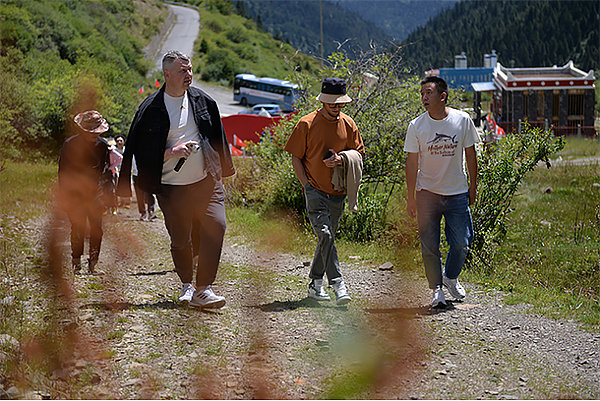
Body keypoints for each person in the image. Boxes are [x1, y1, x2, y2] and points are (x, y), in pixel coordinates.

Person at [117, 50, 235, 309]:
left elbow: (218, 136)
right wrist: (170, 153)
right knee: (181, 239)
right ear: (167, 75)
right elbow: (137, 151)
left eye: (190, 69)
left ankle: (204, 289)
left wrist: (223, 170)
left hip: (206, 182)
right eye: (183, 71)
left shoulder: (204, 101)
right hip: (171, 188)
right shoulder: (149, 109)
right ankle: (187, 284)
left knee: (216, 226)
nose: (189, 75)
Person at [284, 77, 364, 306]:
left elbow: (359, 154)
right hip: (315, 191)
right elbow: (295, 157)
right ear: (323, 101)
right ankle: (338, 284)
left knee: (326, 240)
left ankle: (315, 283)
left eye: (339, 103)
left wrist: (342, 159)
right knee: (326, 235)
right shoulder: (306, 124)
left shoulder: (349, 124)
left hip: (338, 192)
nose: (336, 107)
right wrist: (306, 185)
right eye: (332, 103)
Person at [404, 76, 480, 308]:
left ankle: (450, 276)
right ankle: (436, 289)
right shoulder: (416, 125)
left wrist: (473, 186)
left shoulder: (462, 120)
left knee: (462, 242)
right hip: (427, 194)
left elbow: (471, 154)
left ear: (442, 96)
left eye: (429, 93)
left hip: (457, 193)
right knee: (430, 246)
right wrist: (411, 197)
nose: (424, 98)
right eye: (422, 94)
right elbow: (411, 163)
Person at [58, 110, 112, 274]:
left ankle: (93, 264)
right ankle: (76, 264)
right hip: (75, 194)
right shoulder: (70, 144)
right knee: (78, 227)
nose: (95, 135)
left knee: (97, 229)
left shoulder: (102, 145)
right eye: (92, 132)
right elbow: (63, 172)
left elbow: (104, 170)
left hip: (95, 193)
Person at [132, 155, 157, 221]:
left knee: (149, 193)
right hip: (136, 175)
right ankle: (143, 213)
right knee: (139, 195)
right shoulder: (133, 153)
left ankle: (151, 212)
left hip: (146, 174)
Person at [114, 134, 131, 209]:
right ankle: (122, 201)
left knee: (127, 185)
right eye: (118, 141)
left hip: (126, 170)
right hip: (117, 170)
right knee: (119, 185)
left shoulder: (126, 150)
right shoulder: (114, 150)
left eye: (121, 140)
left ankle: (128, 202)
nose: (119, 142)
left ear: (124, 141)